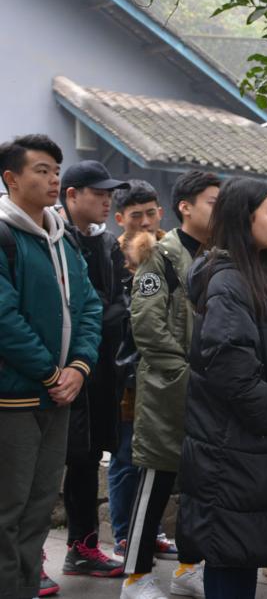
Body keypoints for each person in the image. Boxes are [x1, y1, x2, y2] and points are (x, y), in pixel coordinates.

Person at [175, 178, 267, 598]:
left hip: (248, 446)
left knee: (241, 550)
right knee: (229, 554)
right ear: (244, 219)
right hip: (234, 444)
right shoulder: (229, 281)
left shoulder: (256, 273)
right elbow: (229, 362)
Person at [0, 135, 102, 599]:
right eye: (41, 170)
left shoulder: (64, 239)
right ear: (11, 178)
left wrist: (78, 368)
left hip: (58, 396)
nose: (53, 179)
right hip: (14, 397)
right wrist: (50, 373)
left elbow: (89, 307)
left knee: (39, 509)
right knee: (8, 510)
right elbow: (5, 319)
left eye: (57, 170)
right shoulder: (6, 235)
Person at [120, 171, 220, 599]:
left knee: (199, 485)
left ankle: (187, 568)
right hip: (167, 389)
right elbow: (147, 325)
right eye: (213, 201)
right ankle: (135, 577)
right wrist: (183, 373)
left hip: (206, 389)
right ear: (185, 207)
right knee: (155, 481)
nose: (220, 210)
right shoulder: (159, 256)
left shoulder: (217, 255)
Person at [57, 161, 131, 579]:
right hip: (62, 372)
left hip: (101, 371)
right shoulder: (55, 238)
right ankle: (26, 562)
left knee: (87, 460)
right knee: (45, 466)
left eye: (109, 194)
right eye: (99, 193)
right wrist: (109, 312)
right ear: (72, 194)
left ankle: (82, 548)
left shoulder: (106, 243)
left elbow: (116, 302)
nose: (107, 201)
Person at [108, 181, 178, 561]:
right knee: (125, 458)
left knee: (160, 460)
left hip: (165, 372)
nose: (147, 222)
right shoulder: (113, 254)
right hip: (128, 375)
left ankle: (152, 532)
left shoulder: (171, 250)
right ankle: (124, 534)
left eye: (152, 213)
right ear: (120, 218)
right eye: (137, 216)